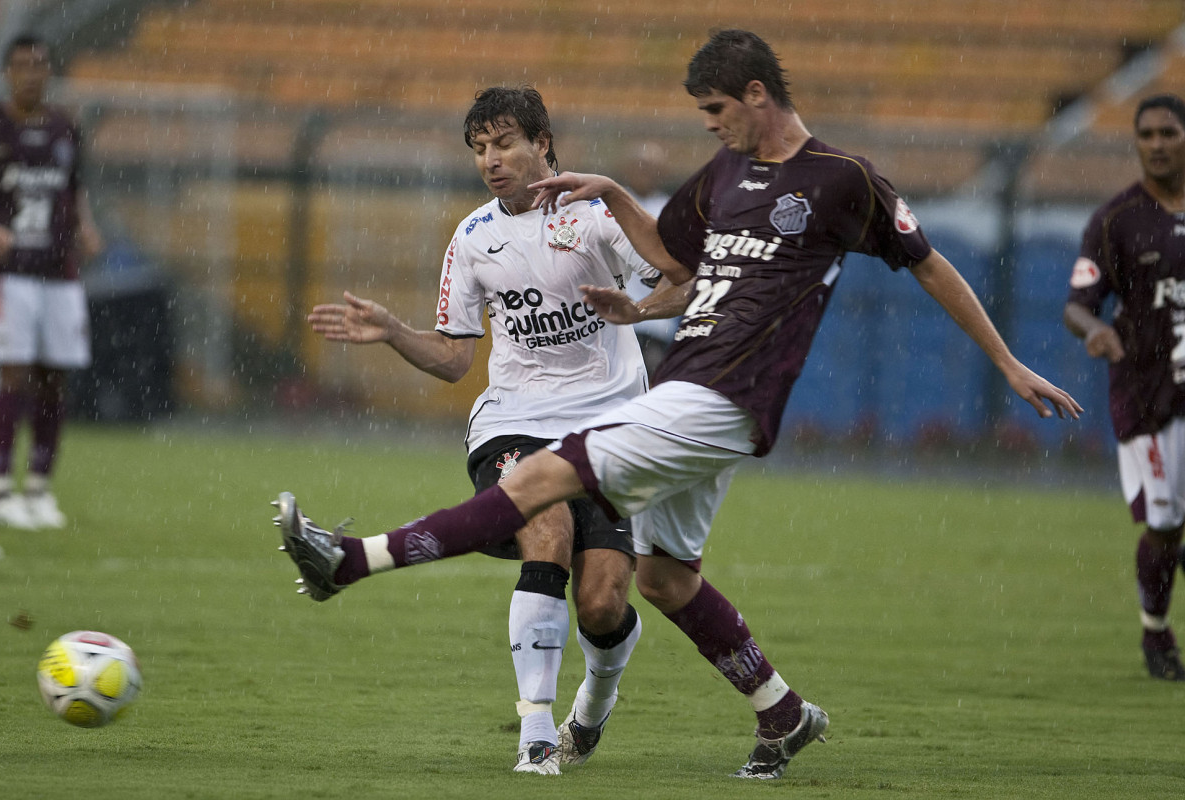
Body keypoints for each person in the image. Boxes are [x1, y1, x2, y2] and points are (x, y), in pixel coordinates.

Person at [276, 30, 1082, 778]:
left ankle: (351, 562)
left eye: (716, 112)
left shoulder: (842, 179)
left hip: (714, 398)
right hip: (686, 386)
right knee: (661, 580)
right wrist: (623, 223)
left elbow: (928, 263)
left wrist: (1008, 362)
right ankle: (784, 713)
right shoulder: (721, 177)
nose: (710, 128)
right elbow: (673, 263)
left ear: (757, 94)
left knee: (541, 491)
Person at [301, 86, 677, 774]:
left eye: (503, 143)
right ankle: (535, 732)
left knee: (601, 603)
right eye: (479, 148)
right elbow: (452, 359)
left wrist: (639, 306)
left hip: (613, 425)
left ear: (542, 142)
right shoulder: (474, 239)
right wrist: (391, 332)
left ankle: (593, 702)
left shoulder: (595, 218)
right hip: (515, 421)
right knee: (549, 528)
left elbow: (681, 282)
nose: (490, 160)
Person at [1064, 93, 1185, 682]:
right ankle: (1156, 632)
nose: (1158, 144)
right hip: (1148, 395)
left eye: (1169, 133)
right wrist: (1096, 333)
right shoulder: (1117, 220)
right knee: (1164, 522)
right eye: (1148, 135)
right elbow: (1077, 306)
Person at [0, 33, 103, 530]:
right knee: (12, 372)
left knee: (55, 376)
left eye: (39, 64)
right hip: (10, 273)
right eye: (22, 65)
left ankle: (39, 487)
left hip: (60, 272)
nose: (31, 73)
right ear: (8, 71)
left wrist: (87, 225)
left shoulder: (64, 127)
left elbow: (73, 189)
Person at [618, 141, 678, 373]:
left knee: (652, 379)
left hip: (656, 322)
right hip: (618, 317)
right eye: (640, 166)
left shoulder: (670, 209)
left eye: (650, 167)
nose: (644, 173)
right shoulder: (610, 205)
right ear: (628, 168)